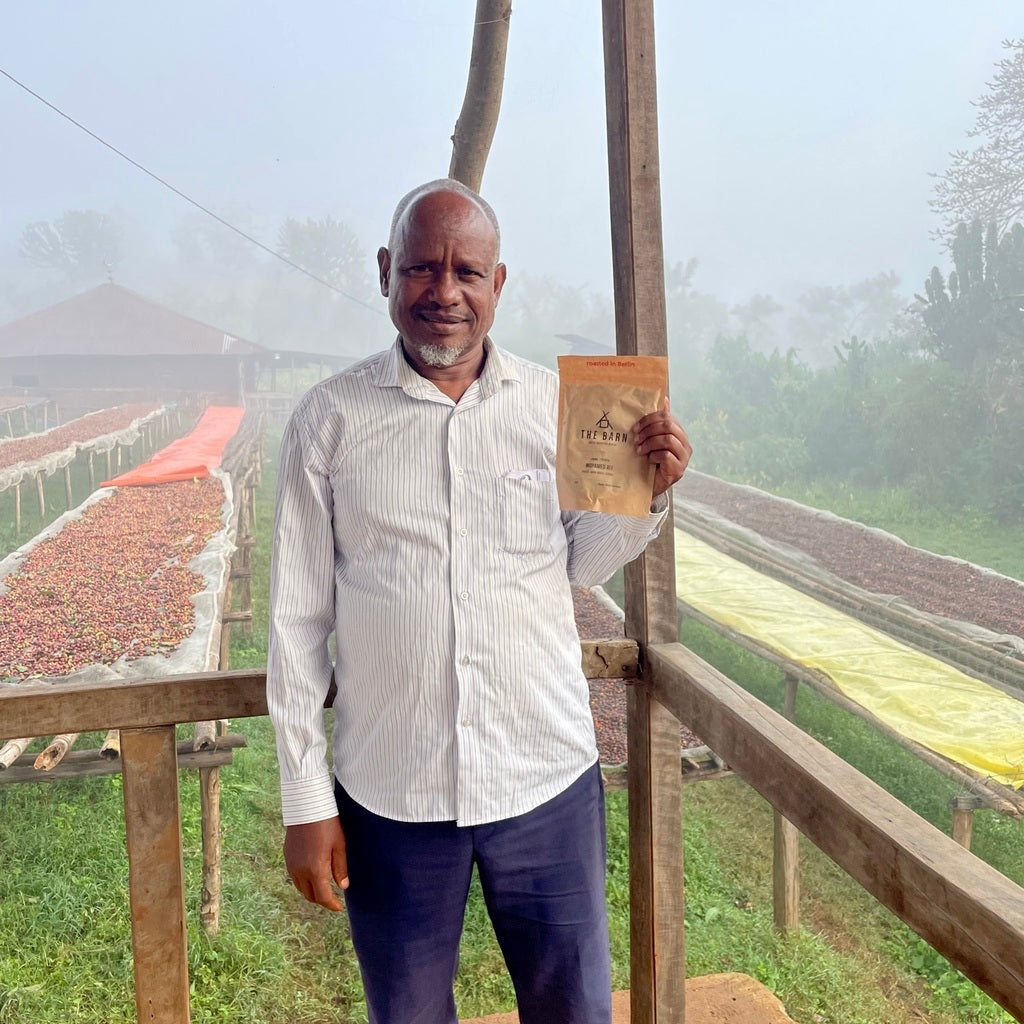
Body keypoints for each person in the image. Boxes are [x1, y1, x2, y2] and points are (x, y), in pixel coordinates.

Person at [267, 178, 691, 1024]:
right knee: (410, 1013)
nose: (445, 292)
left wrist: (647, 495)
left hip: (544, 778)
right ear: (386, 273)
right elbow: (295, 624)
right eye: (423, 269)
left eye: (468, 271)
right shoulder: (331, 420)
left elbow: (579, 563)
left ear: (499, 285)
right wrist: (306, 802)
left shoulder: (557, 407)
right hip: (393, 794)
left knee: (571, 1008)